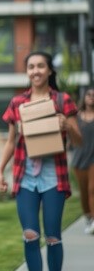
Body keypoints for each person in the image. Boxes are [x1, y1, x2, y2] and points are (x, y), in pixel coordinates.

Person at [0, 51, 82, 271]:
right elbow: (11, 141)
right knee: (30, 234)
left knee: (53, 236)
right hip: (25, 177)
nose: (36, 71)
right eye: (31, 67)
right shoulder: (18, 103)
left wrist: (68, 126)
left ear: (50, 70)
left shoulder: (62, 100)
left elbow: (79, 141)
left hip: (54, 176)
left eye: (41, 66)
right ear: (27, 71)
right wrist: (0, 171)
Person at [71, 87, 94, 234]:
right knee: (84, 193)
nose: (91, 97)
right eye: (89, 95)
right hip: (79, 160)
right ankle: (88, 217)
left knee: (93, 189)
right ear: (84, 98)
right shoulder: (76, 117)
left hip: (93, 159)